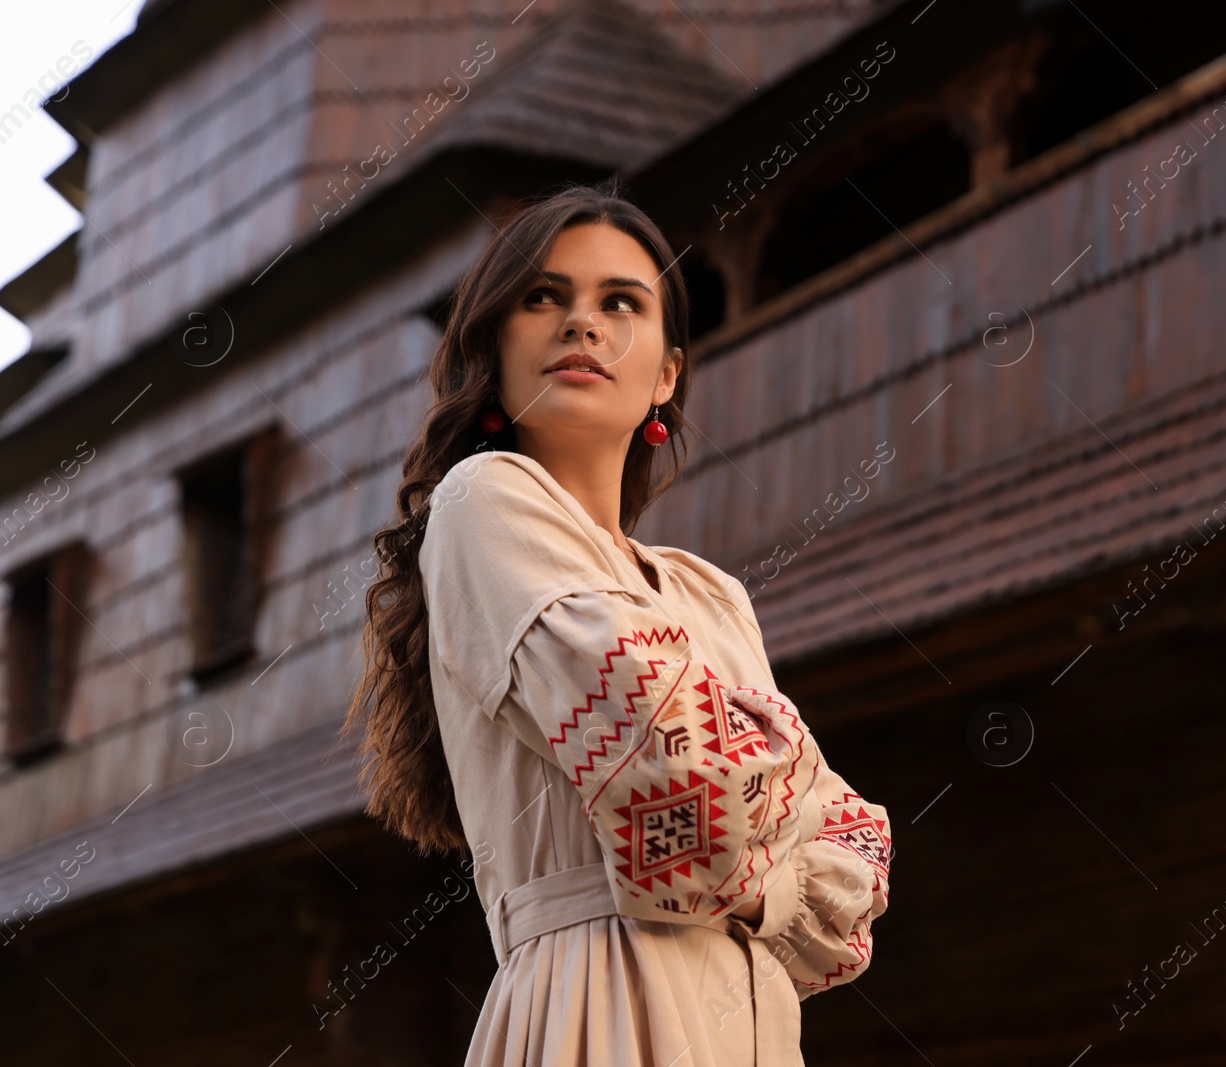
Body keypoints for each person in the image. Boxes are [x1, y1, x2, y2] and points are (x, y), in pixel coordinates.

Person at [341, 179, 892, 1066]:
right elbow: (680, 776)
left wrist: (742, 775)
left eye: (620, 302)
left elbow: (850, 885)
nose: (581, 323)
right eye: (542, 297)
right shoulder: (485, 500)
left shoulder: (711, 595)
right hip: (590, 1006)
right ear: (498, 346)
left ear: (666, 372)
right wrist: (779, 775)